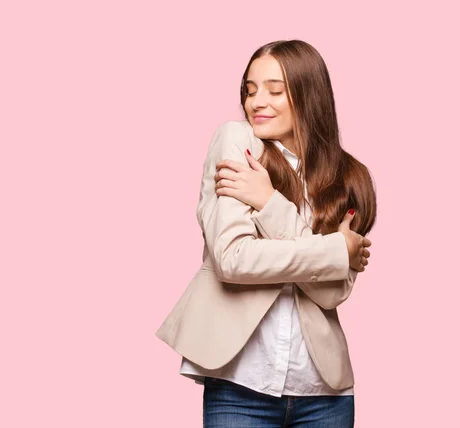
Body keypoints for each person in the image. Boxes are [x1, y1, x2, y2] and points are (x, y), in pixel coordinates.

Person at [155, 39, 377, 427]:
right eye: (250, 89)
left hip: (325, 395)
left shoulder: (349, 177)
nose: (257, 101)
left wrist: (269, 204)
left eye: (275, 90)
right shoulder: (238, 143)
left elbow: (331, 292)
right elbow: (233, 260)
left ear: (309, 94)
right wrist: (333, 251)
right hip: (241, 386)